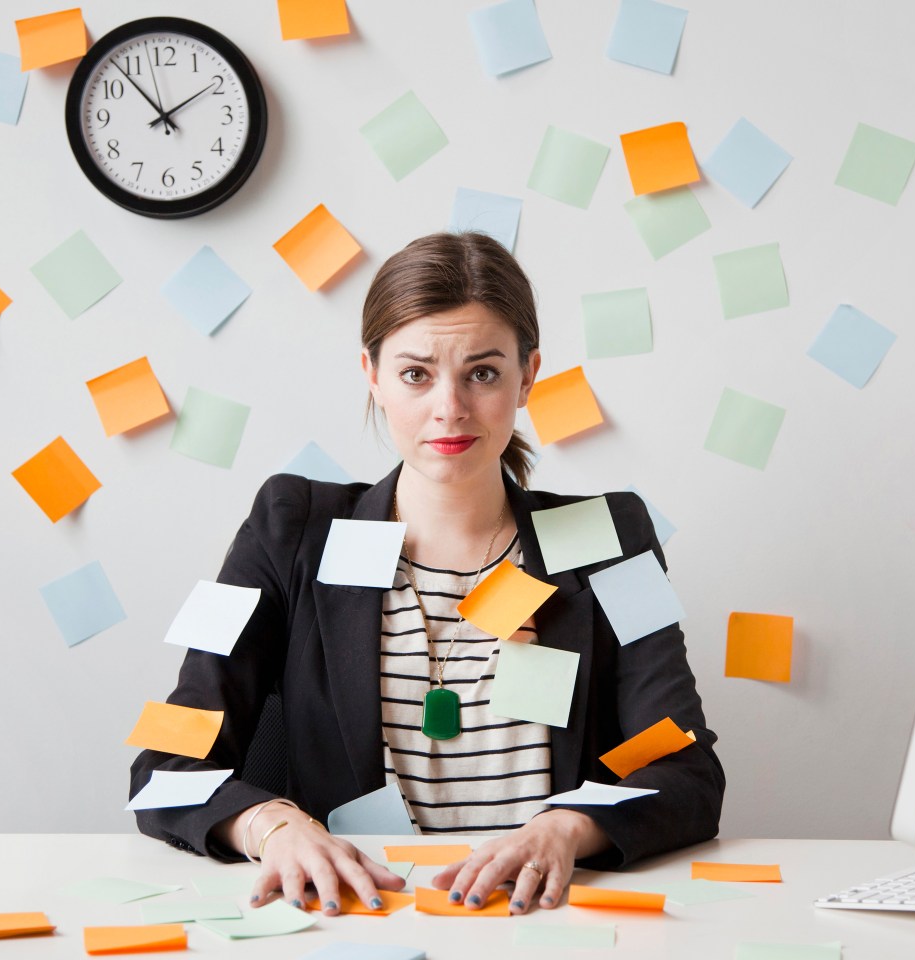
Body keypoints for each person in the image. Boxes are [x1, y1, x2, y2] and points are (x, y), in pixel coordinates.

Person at [130, 231, 724, 916]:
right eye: (416, 374)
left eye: (483, 372)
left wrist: (565, 828)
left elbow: (687, 772)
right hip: (355, 919)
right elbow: (166, 770)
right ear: (372, 374)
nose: (450, 408)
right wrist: (275, 828)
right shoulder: (290, 525)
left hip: (546, 919)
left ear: (528, 375)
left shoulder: (610, 538)